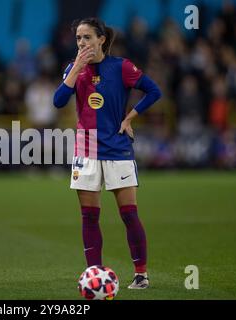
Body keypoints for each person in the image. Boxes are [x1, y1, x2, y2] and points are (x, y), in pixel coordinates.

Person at [53, 17, 161, 289]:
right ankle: (94, 275)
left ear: (101, 39)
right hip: (86, 148)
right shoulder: (75, 69)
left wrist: (130, 118)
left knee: (129, 214)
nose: (82, 43)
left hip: (117, 148)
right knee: (89, 216)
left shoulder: (121, 67)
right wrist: (77, 67)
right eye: (78, 38)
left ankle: (141, 274)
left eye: (87, 37)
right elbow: (58, 101)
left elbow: (153, 91)